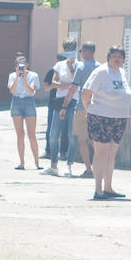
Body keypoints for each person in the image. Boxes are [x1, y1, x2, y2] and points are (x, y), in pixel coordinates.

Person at [81, 45, 131, 199]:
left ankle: (108, 188)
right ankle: (98, 190)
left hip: (119, 118)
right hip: (101, 117)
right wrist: (88, 110)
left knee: (111, 154)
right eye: (114, 56)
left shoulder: (121, 73)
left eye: (119, 56)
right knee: (101, 154)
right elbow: (86, 93)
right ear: (109, 57)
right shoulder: (101, 72)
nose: (117, 59)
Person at [64, 41, 98, 177]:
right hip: (96, 108)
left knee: (82, 140)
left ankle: (89, 169)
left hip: (81, 107)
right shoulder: (100, 67)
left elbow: (72, 88)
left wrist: (64, 106)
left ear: (84, 52)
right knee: (95, 140)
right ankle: (99, 166)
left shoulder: (81, 67)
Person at [45, 42, 78, 176]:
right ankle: (53, 165)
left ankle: (69, 165)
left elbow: (78, 82)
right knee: (53, 135)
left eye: (71, 50)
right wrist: (69, 85)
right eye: (66, 50)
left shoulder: (79, 65)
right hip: (59, 102)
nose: (69, 53)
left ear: (75, 50)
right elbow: (53, 83)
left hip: (74, 101)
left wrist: (71, 68)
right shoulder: (59, 65)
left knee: (71, 135)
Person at [8, 57, 42, 169]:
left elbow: (31, 91)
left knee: (31, 134)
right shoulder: (12, 76)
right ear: (16, 67)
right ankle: (22, 163)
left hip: (29, 102)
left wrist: (23, 79)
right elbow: (12, 91)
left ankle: (37, 163)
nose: (21, 67)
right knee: (20, 134)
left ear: (27, 65)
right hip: (16, 101)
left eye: (23, 65)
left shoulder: (33, 76)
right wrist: (18, 78)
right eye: (19, 65)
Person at [40, 55, 60, 160]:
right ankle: (48, 150)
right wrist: (55, 85)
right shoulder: (52, 71)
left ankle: (62, 151)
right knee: (51, 128)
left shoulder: (70, 70)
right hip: (53, 103)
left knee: (65, 130)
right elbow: (46, 88)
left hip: (66, 102)